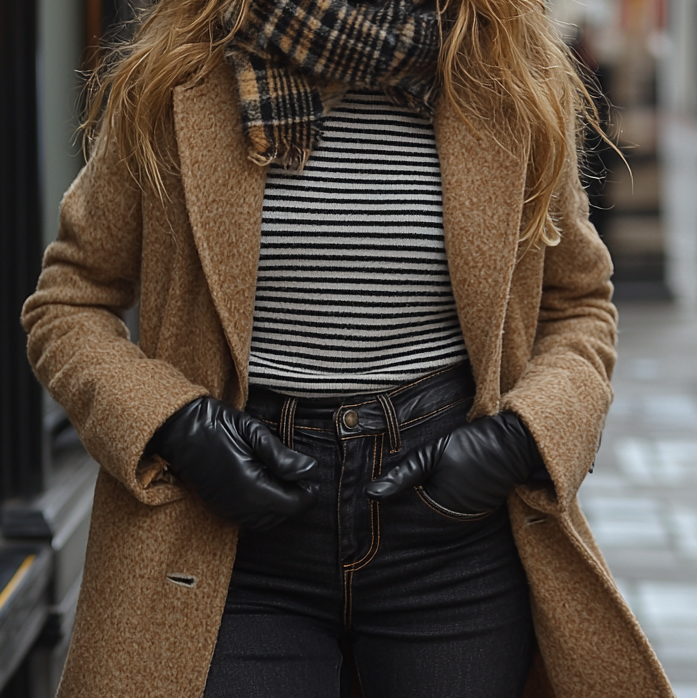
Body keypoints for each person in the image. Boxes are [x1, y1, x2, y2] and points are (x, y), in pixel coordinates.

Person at [21, 0, 673, 695]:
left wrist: (518, 439)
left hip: (452, 526)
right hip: (228, 531)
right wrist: (178, 426)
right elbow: (68, 302)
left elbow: (578, 303)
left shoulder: (504, 68)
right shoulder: (180, 69)